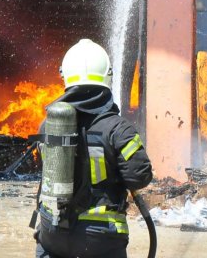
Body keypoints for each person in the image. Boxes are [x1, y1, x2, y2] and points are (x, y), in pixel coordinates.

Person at [33, 39, 154, 258]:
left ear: (65, 76)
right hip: (100, 239)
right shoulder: (119, 129)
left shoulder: (49, 125)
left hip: (53, 233)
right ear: (108, 76)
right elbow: (140, 177)